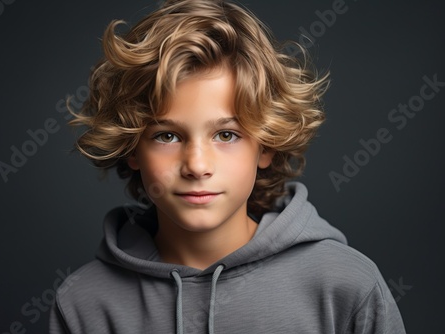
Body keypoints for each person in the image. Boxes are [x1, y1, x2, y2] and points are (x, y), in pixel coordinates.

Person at [49, 0, 406, 333]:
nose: (197, 165)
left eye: (226, 134)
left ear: (265, 144)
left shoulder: (346, 286)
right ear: (132, 149)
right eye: (167, 137)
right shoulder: (83, 304)